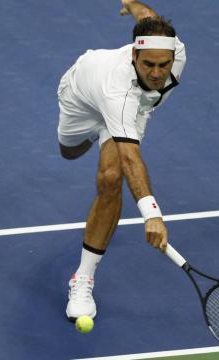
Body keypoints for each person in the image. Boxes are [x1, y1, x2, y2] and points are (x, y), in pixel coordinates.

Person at [57, 0, 187, 321]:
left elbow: (150, 19)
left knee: (110, 179)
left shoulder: (174, 51)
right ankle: (98, 133)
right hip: (83, 100)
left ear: (173, 57)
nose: (157, 73)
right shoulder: (117, 88)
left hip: (133, 111)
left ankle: (83, 277)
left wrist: (132, 4)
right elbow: (132, 158)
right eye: (148, 65)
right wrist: (152, 215)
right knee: (69, 151)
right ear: (133, 55)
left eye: (163, 65)